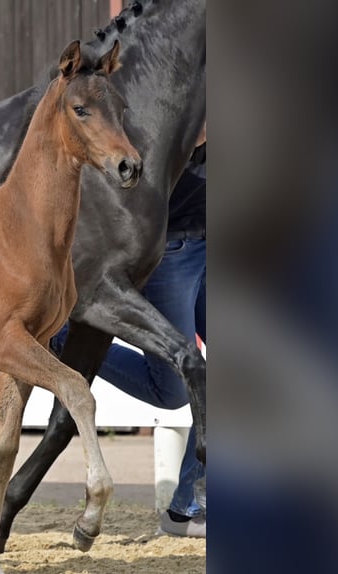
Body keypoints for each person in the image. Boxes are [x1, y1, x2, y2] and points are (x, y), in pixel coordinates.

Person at [52, 133, 207, 537]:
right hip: (171, 251)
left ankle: (187, 504)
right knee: (171, 391)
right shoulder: (174, 93)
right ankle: (64, 340)